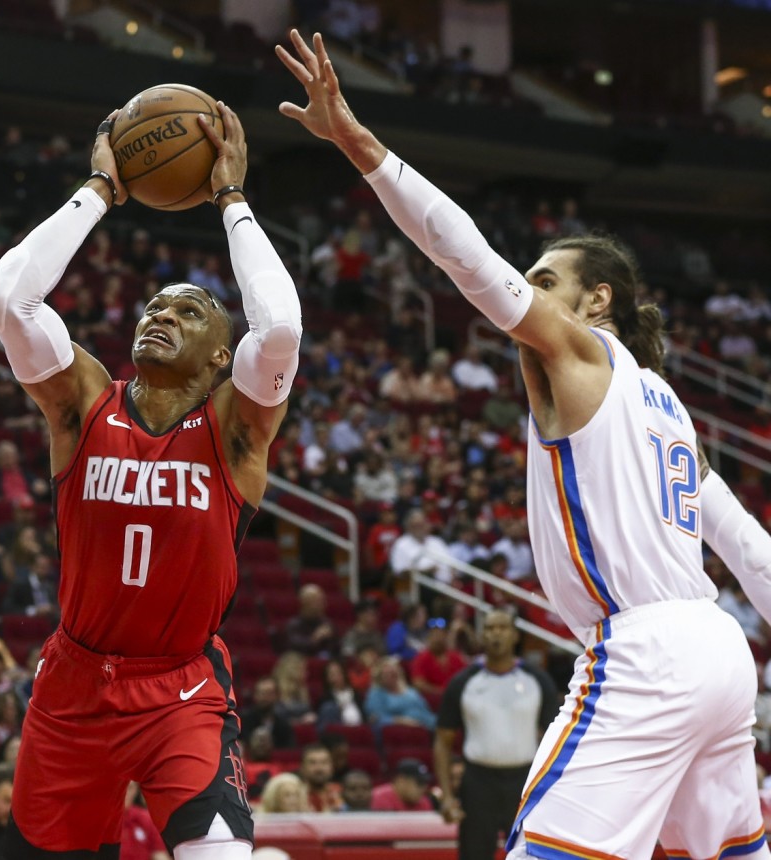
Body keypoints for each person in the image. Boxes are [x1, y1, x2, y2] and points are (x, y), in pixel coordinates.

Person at [279, 28, 768, 859]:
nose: (527, 292)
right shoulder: (673, 410)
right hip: (720, 651)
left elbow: (465, 258)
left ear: (595, 300)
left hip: (645, 649)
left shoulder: (584, 353)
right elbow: (752, 550)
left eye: (545, 280)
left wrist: (360, 145)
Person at [0, 103, 301, 859]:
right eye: (156, 305)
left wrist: (232, 199)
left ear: (223, 357)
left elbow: (280, 327)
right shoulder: (83, 402)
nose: (162, 314)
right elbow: (7, 300)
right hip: (73, 686)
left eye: (189, 312)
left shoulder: (237, 426)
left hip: (181, 688)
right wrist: (100, 186)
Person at [435, 610, 560, 860]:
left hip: (524, 783)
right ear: (482, 635)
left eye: (502, 627)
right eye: (490, 628)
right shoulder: (463, 682)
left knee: (532, 855)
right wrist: (447, 796)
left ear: (514, 635)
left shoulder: (538, 680)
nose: (496, 634)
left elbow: (555, 740)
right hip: (477, 783)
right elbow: (442, 741)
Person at [369, 759, 434, 812]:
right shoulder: (379, 798)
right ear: (401, 781)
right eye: (420, 783)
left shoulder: (424, 802)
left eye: (426, 783)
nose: (424, 788)